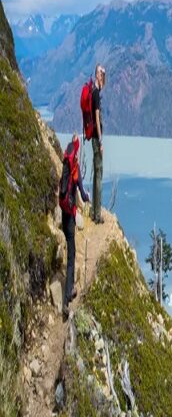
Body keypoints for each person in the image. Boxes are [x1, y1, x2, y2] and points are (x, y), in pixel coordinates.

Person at [59, 134, 90, 320]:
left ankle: (66, 290)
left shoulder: (65, 163)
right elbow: (81, 191)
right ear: (77, 152)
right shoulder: (75, 169)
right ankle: (67, 296)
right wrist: (87, 199)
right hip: (70, 214)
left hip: (62, 209)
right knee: (71, 255)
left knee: (67, 246)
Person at [91, 63, 106, 224]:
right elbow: (96, 118)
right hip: (97, 139)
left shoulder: (95, 91)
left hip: (95, 138)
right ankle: (97, 214)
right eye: (102, 73)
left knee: (96, 174)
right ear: (98, 75)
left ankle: (95, 211)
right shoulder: (96, 94)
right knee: (99, 175)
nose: (103, 76)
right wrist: (101, 141)